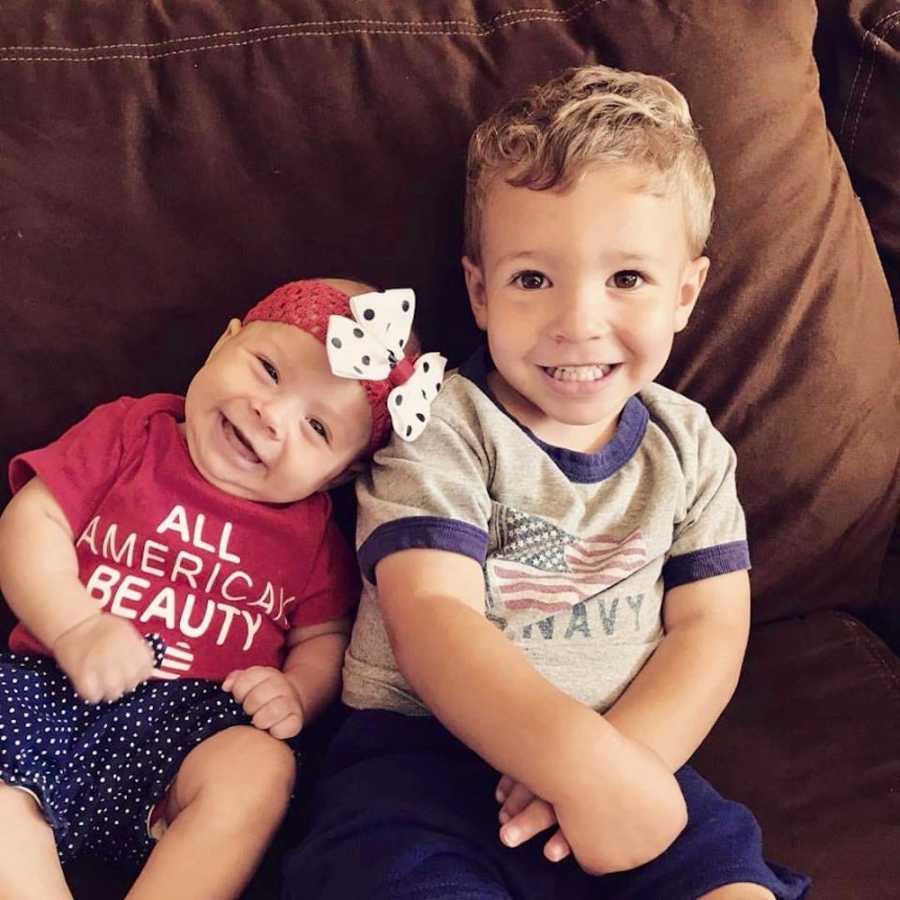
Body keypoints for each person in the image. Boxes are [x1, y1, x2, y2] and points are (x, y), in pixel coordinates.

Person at [282, 67, 812, 899]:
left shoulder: (691, 446)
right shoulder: (444, 427)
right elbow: (433, 617)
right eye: (534, 279)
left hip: (631, 750)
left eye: (626, 279)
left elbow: (710, 629)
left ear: (686, 292)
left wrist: (622, 762)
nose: (578, 321)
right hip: (423, 768)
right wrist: (569, 759)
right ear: (481, 291)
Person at [0, 277, 443, 900]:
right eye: (267, 369)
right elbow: (31, 521)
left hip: (189, 734)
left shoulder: (313, 534)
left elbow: (326, 635)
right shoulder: (135, 431)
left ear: (340, 475)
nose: (272, 413)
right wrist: (74, 624)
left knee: (261, 767)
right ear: (223, 340)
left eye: (317, 428)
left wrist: (295, 690)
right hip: (48, 688)